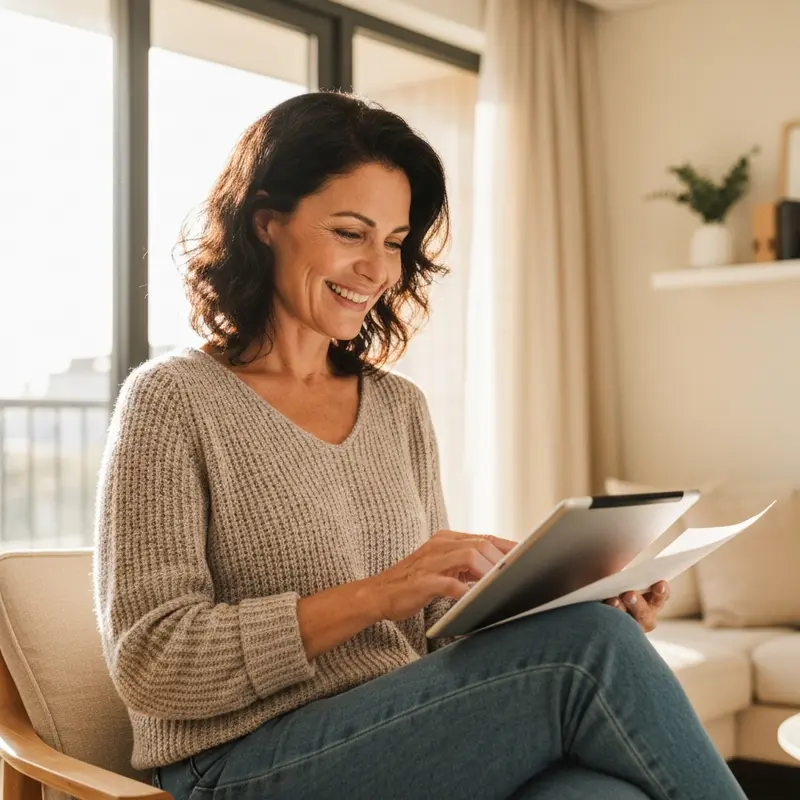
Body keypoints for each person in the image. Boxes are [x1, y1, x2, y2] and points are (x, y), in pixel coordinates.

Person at [93, 91, 745, 800]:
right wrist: (377, 594)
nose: (378, 270)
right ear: (266, 223)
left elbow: (432, 629)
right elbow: (152, 662)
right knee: (589, 655)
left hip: (399, 736)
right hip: (235, 766)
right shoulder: (173, 399)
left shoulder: (398, 407)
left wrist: (576, 601)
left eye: (396, 243)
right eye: (351, 232)